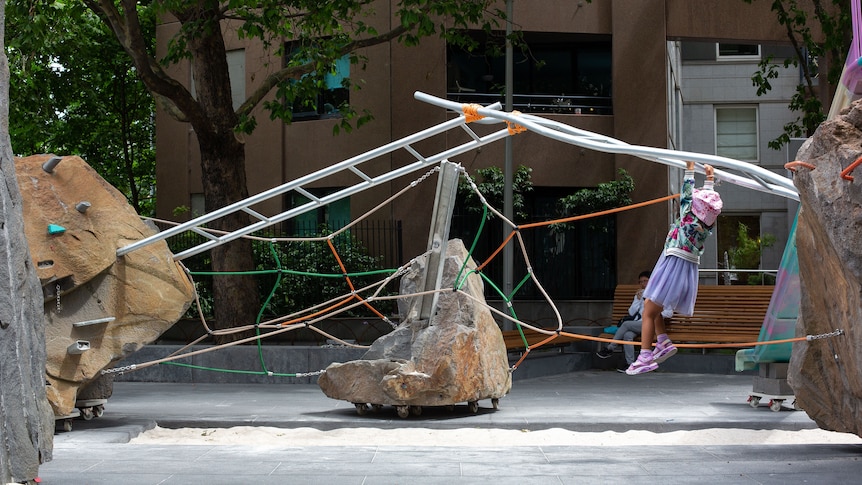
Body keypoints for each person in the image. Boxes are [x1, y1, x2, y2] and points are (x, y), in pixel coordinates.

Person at [626, 161, 722, 375]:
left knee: (648, 311)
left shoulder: (688, 216)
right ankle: (663, 341)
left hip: (673, 264)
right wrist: (709, 179)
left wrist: (689, 169)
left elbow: (687, 192)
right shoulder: (707, 225)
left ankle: (645, 356)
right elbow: (708, 203)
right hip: (685, 268)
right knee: (652, 303)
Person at [596, 271, 672, 369]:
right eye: (641, 282)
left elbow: (669, 313)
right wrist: (638, 299)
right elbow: (631, 312)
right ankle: (630, 364)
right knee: (627, 335)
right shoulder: (640, 294)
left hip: (652, 326)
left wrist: (654, 313)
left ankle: (610, 348)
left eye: (645, 281)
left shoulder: (661, 294)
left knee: (626, 324)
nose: (643, 284)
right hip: (638, 324)